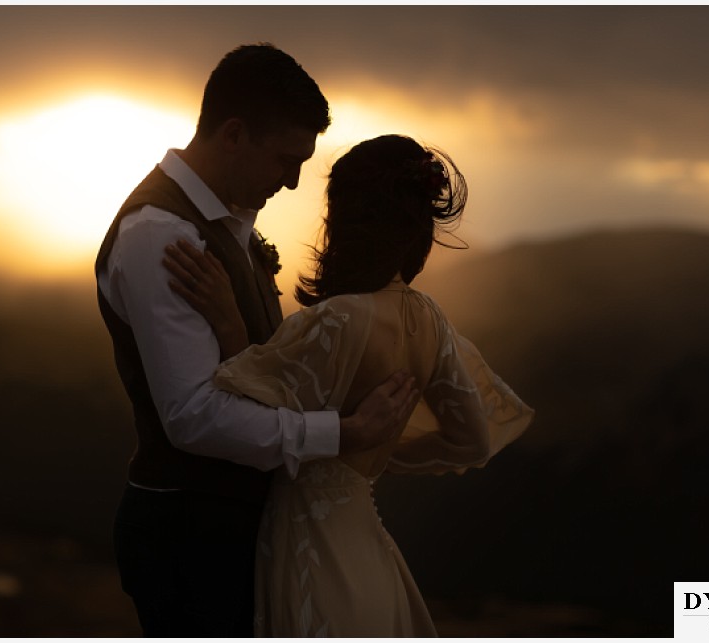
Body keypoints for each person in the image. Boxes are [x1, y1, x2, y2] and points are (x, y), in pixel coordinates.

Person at [94, 45, 419, 637]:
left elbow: (253, 370)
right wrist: (345, 433)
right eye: (285, 160)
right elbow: (193, 417)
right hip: (190, 535)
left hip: (231, 528)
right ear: (235, 134)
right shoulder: (163, 238)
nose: (293, 183)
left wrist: (236, 330)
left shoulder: (227, 226)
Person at [163, 134, 535, 636]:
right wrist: (373, 453)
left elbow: (231, 396)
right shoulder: (428, 318)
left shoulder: (334, 321)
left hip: (309, 550)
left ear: (345, 222)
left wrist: (229, 322)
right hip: (367, 546)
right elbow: (471, 440)